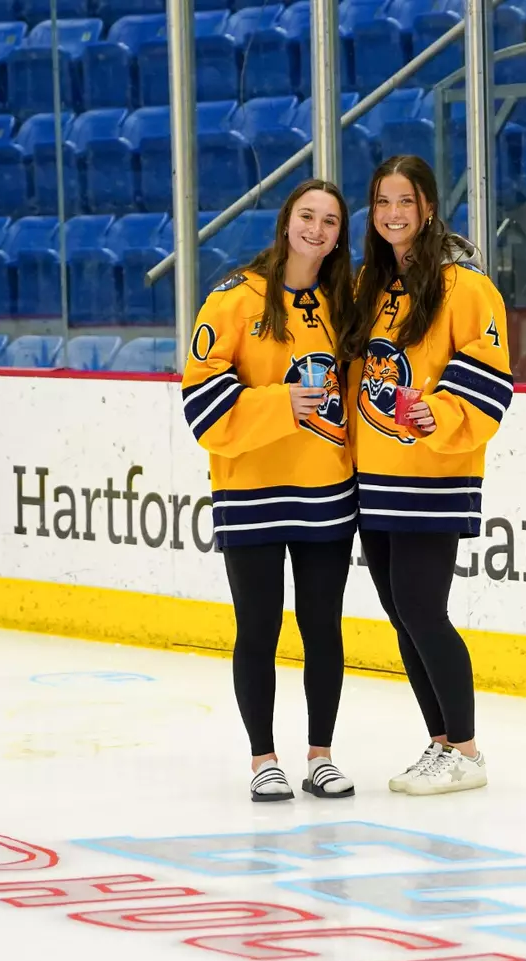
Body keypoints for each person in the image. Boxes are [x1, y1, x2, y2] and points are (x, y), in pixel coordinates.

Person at [181, 180, 358, 803]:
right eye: (307, 216)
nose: (317, 229)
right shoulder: (232, 300)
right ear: (286, 222)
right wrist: (282, 403)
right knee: (257, 627)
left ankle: (321, 755)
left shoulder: (347, 301)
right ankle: (263, 757)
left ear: (341, 234)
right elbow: (200, 405)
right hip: (251, 489)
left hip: (326, 490)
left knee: (323, 628)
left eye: (330, 221)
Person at [340, 155, 512, 796]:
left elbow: (492, 380)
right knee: (400, 611)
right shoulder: (369, 285)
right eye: (381, 203)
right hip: (375, 476)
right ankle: (441, 744)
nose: (392, 215)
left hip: (432, 474)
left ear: (430, 207)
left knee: (421, 606)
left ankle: (466, 749)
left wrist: (435, 412)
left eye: (404, 203)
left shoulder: (467, 288)